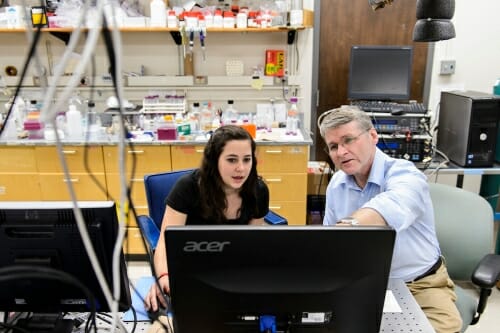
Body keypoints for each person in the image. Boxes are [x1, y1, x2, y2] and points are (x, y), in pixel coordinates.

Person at [318, 106, 462, 333]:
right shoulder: (337, 184)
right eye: (334, 146)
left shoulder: (406, 175)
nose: (341, 152)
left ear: (373, 136)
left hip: (421, 285)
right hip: (365, 285)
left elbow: (390, 207)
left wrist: (347, 228)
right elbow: (331, 244)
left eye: (348, 140)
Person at [145, 125, 270, 312]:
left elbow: (252, 245)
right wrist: (164, 277)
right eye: (231, 160)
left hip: (232, 274)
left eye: (247, 159)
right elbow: (165, 242)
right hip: (189, 273)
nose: (241, 168)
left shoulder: (258, 191)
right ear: (214, 161)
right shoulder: (188, 188)